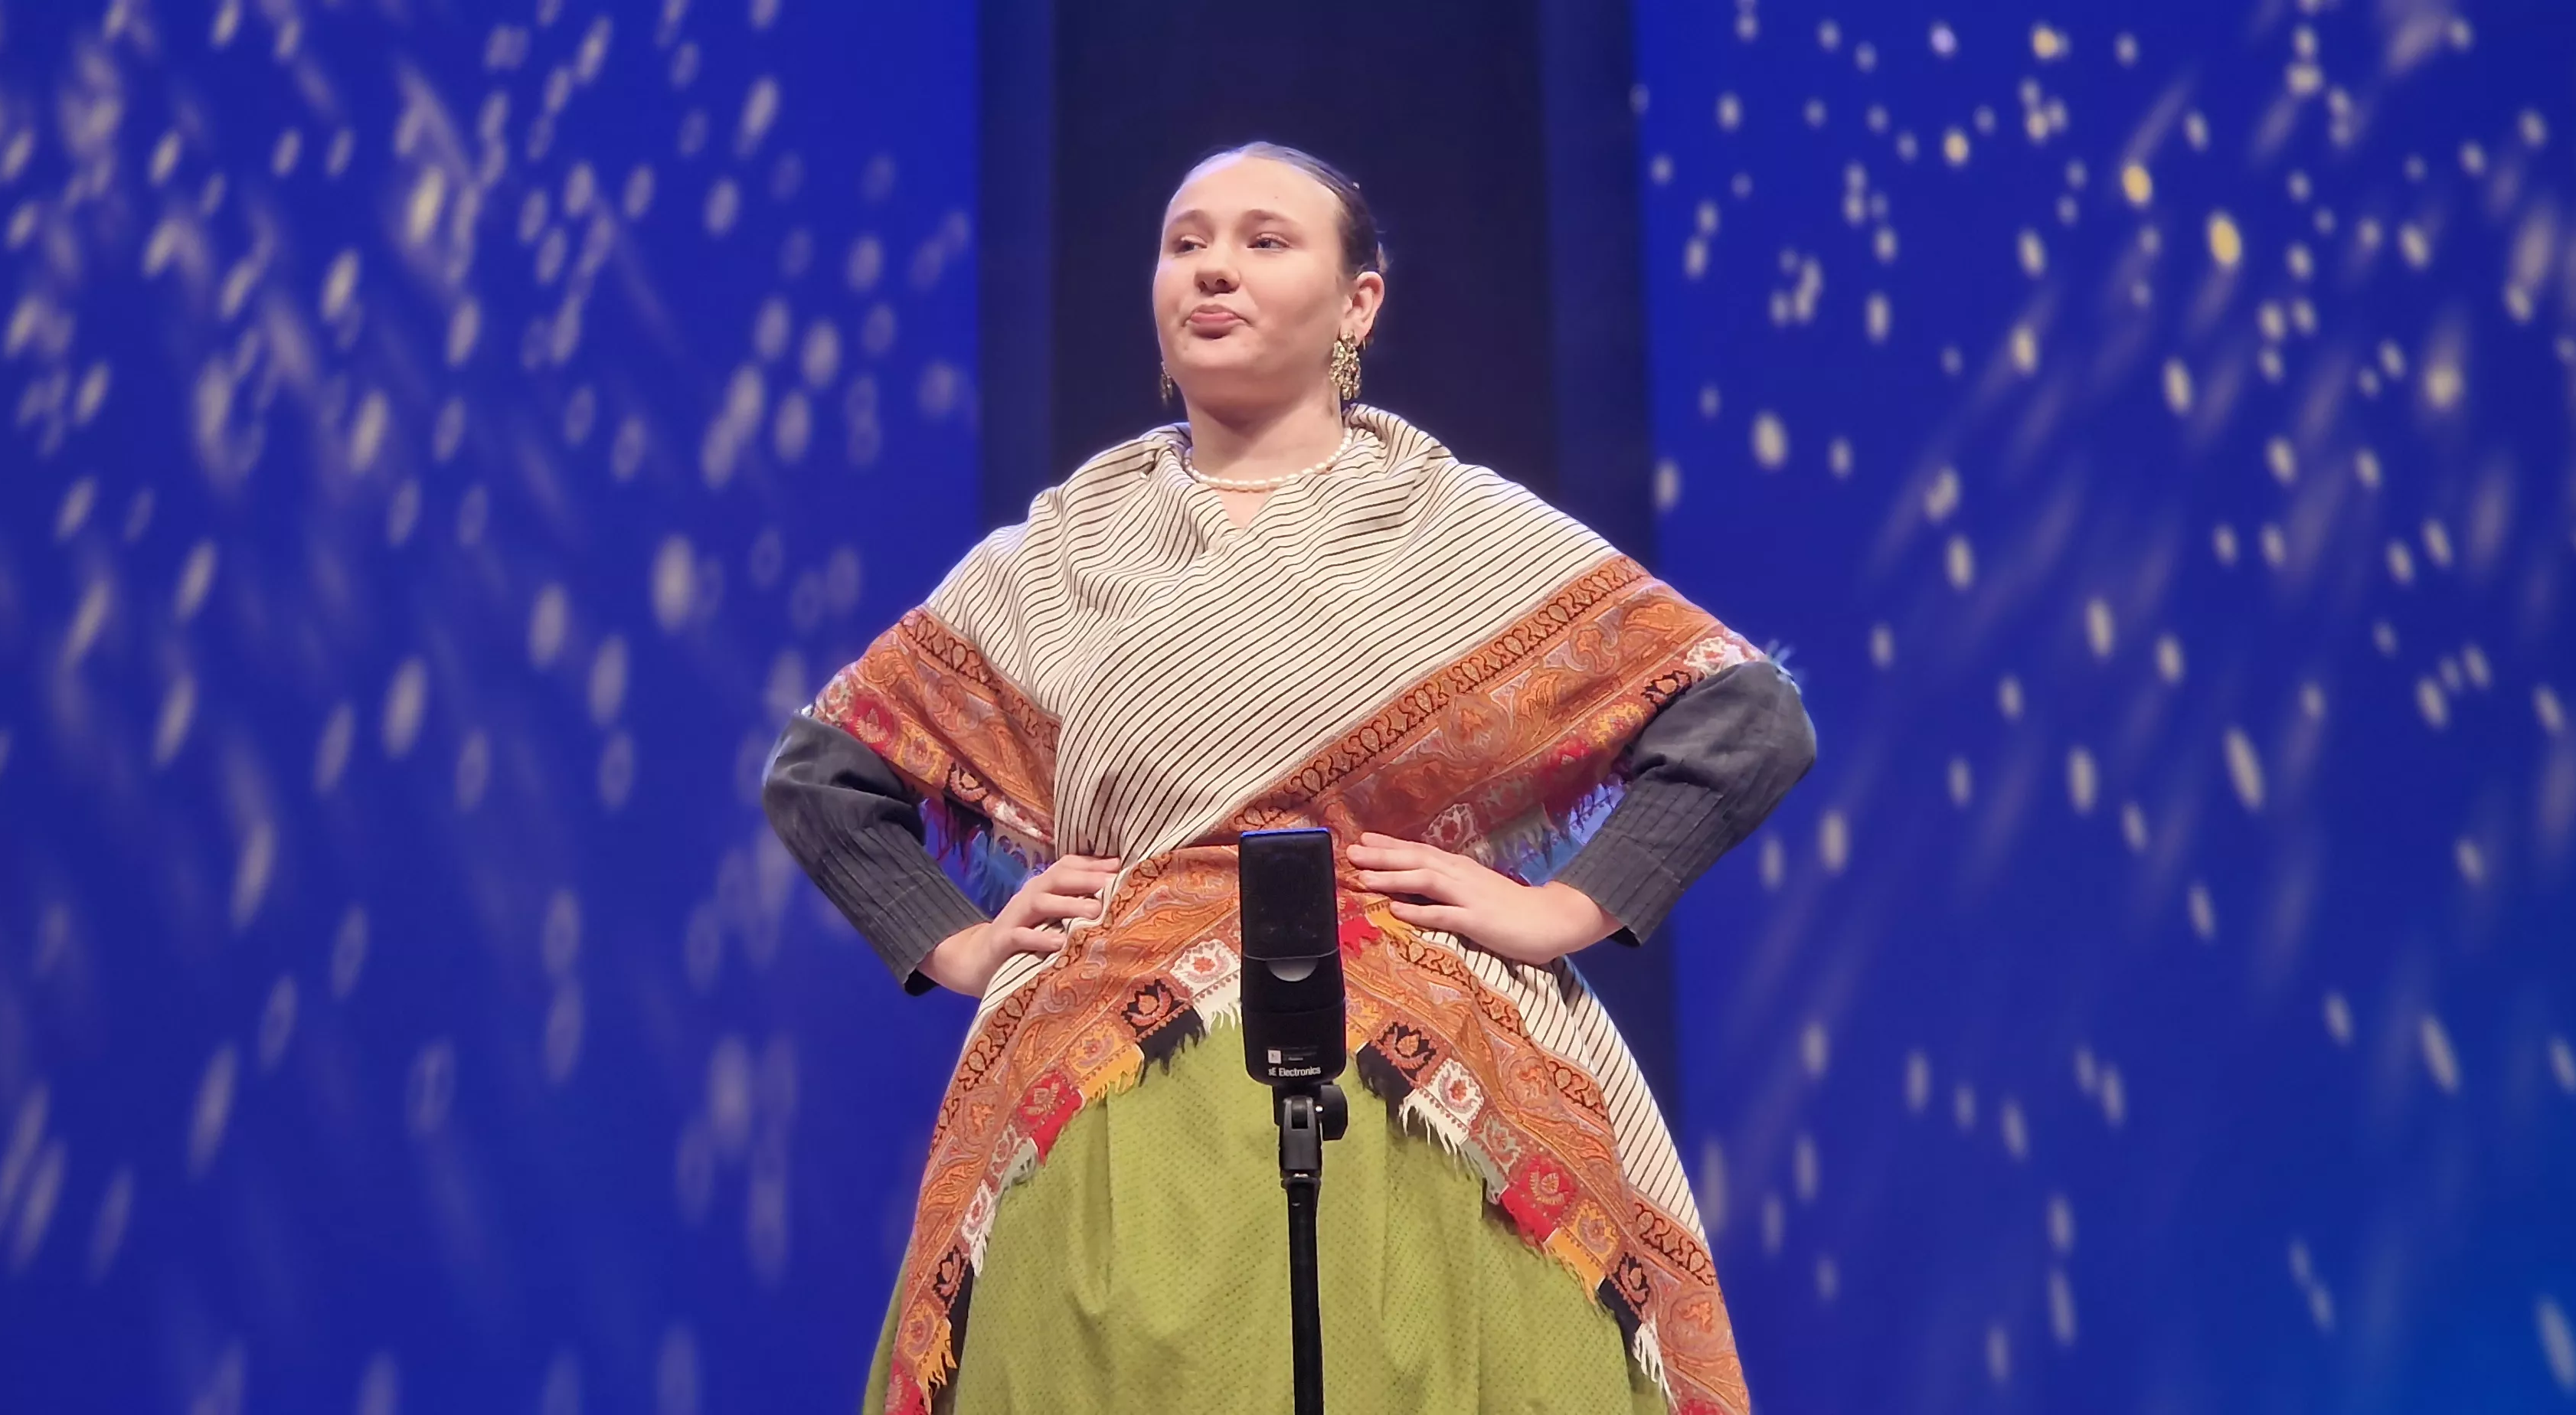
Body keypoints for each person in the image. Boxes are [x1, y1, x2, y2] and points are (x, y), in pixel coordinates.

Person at [762, 142, 1814, 1415]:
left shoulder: (1460, 528)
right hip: (1107, 1123)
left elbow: (1745, 717)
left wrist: (1563, 910)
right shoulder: (1050, 553)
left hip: (1433, 1126)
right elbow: (822, 774)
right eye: (1186, 240)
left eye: (1266, 241)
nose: (1214, 267)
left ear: (1357, 303)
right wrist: (964, 945)